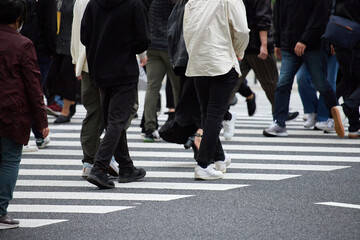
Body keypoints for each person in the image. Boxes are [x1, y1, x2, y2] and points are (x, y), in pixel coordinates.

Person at [81, 0, 148, 189]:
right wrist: (125, 48)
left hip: (99, 68)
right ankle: (100, 168)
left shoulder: (93, 4)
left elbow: (84, 36)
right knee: (117, 121)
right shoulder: (134, 4)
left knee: (113, 121)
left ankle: (126, 167)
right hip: (124, 69)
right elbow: (142, 39)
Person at [183, 0, 249, 180]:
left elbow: (187, 30)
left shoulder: (192, 1)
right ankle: (203, 164)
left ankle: (219, 158)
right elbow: (242, 30)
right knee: (214, 115)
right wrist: (239, 52)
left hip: (198, 61)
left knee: (207, 113)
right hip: (222, 60)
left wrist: (194, 53)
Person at [0, 0, 49, 229]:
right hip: (11, 110)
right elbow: (33, 84)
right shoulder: (23, 44)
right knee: (10, 159)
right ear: (18, 20)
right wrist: (41, 121)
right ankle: (0, 210)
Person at [263, 0, 340, 137]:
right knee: (283, 84)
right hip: (289, 44)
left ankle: (335, 115)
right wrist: (278, 42)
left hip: (313, 45)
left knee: (321, 84)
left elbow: (320, 16)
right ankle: (279, 123)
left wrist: (304, 40)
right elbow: (278, 15)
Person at [20, 0, 56, 150]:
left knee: (26, 90)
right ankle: (34, 134)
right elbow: (50, 24)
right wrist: (53, 48)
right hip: (41, 49)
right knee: (34, 90)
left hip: (20, 45)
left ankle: (38, 134)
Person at [142, 0, 180, 142]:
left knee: (152, 87)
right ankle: (179, 124)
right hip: (171, 47)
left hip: (152, 45)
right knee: (177, 87)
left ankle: (149, 128)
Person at [46, 0, 78, 124]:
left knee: (67, 79)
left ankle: (66, 110)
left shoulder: (78, 2)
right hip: (59, 44)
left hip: (72, 44)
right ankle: (71, 103)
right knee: (51, 79)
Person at [332, 0, 360, 138]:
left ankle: (354, 127)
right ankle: (344, 109)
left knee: (349, 81)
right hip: (356, 41)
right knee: (351, 81)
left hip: (340, 39)